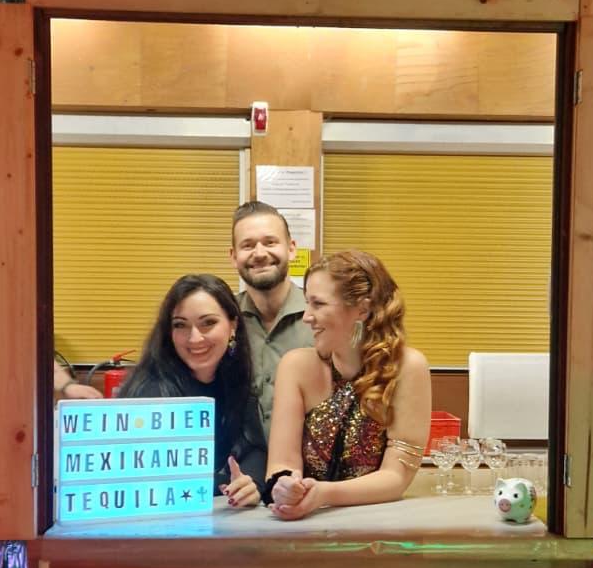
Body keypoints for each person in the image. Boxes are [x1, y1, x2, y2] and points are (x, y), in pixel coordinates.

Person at [264, 250, 431, 520]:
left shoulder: (407, 367)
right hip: (306, 524)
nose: (306, 316)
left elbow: (396, 477)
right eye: (307, 303)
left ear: (362, 309)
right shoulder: (295, 366)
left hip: (378, 526)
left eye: (318, 304)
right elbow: (281, 464)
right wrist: (284, 486)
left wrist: (324, 494)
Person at [117, 274, 265, 508]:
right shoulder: (150, 394)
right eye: (180, 325)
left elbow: (254, 447)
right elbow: (157, 482)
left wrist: (250, 482)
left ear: (233, 325)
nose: (195, 338)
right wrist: (225, 483)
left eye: (208, 323)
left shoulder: (236, 377)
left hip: (222, 518)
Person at [230, 200, 312, 433]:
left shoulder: (321, 317)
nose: (259, 254)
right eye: (247, 245)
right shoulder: (223, 319)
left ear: (291, 249)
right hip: (242, 454)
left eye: (270, 242)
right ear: (233, 256)